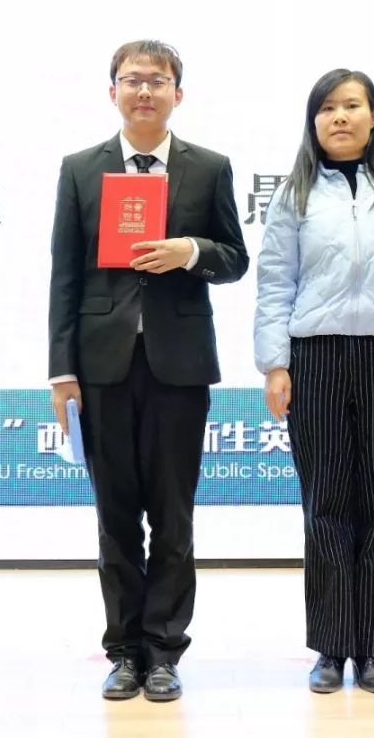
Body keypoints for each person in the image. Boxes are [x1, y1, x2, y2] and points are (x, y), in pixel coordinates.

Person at [48, 40, 248, 702]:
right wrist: (61, 371)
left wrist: (191, 250)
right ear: (113, 91)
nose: (144, 91)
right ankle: (124, 652)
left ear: (177, 95)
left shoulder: (209, 167)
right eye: (132, 80)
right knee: (114, 519)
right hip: (101, 368)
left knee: (172, 514)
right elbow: (65, 275)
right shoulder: (81, 169)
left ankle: (163, 651)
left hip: (178, 366)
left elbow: (235, 258)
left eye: (157, 81)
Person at [254, 68, 374, 694]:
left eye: (352, 106)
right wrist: (275, 363)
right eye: (327, 108)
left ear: (373, 117)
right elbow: (275, 281)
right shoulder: (294, 195)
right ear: (313, 122)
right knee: (326, 504)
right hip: (314, 357)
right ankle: (330, 647)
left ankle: (372, 650)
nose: (339, 117)